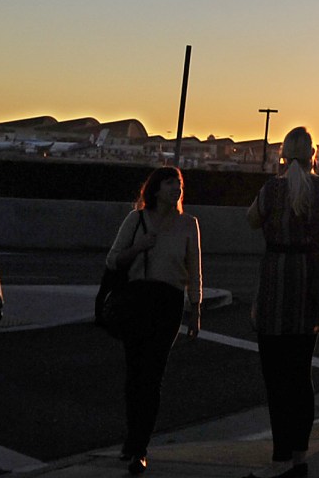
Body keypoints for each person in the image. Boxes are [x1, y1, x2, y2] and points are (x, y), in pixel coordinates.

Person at [247, 126, 319, 478]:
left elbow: (251, 220)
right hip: (309, 285)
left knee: (276, 377)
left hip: (276, 283)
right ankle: (299, 457)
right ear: (314, 154)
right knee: (301, 374)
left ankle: (279, 456)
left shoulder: (272, 189)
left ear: (284, 154)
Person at [105, 166, 202, 475]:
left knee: (153, 375)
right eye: (170, 183)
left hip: (169, 303)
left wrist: (196, 310)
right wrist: (139, 247)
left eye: (180, 183)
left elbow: (195, 270)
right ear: (155, 189)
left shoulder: (189, 224)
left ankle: (140, 447)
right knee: (135, 375)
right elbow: (113, 259)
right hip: (137, 300)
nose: (176, 188)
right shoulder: (136, 220)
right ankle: (132, 440)